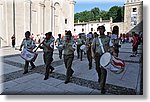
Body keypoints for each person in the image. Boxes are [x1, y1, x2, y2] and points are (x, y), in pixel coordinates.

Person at [91, 25, 115, 94]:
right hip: (97, 56)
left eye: (101, 29)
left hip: (105, 56)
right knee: (97, 69)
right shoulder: (95, 39)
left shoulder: (108, 38)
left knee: (103, 71)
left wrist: (113, 52)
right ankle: (99, 77)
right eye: (99, 30)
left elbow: (111, 46)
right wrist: (92, 54)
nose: (100, 31)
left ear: (104, 30)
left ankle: (102, 86)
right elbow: (92, 47)